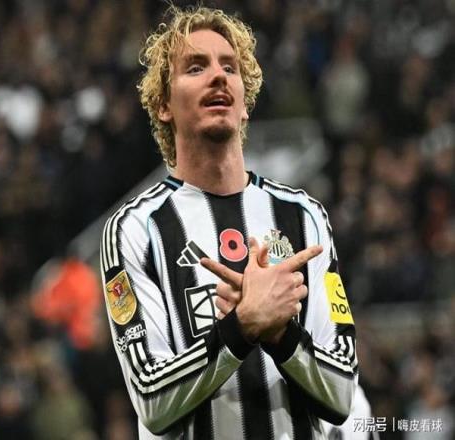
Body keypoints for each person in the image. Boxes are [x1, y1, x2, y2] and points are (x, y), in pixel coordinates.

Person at [100, 5, 358, 439]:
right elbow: (151, 399)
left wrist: (280, 334)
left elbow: (342, 393)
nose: (218, 76)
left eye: (229, 67)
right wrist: (242, 326)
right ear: (163, 105)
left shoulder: (304, 217)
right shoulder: (135, 229)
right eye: (195, 67)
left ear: (245, 106)